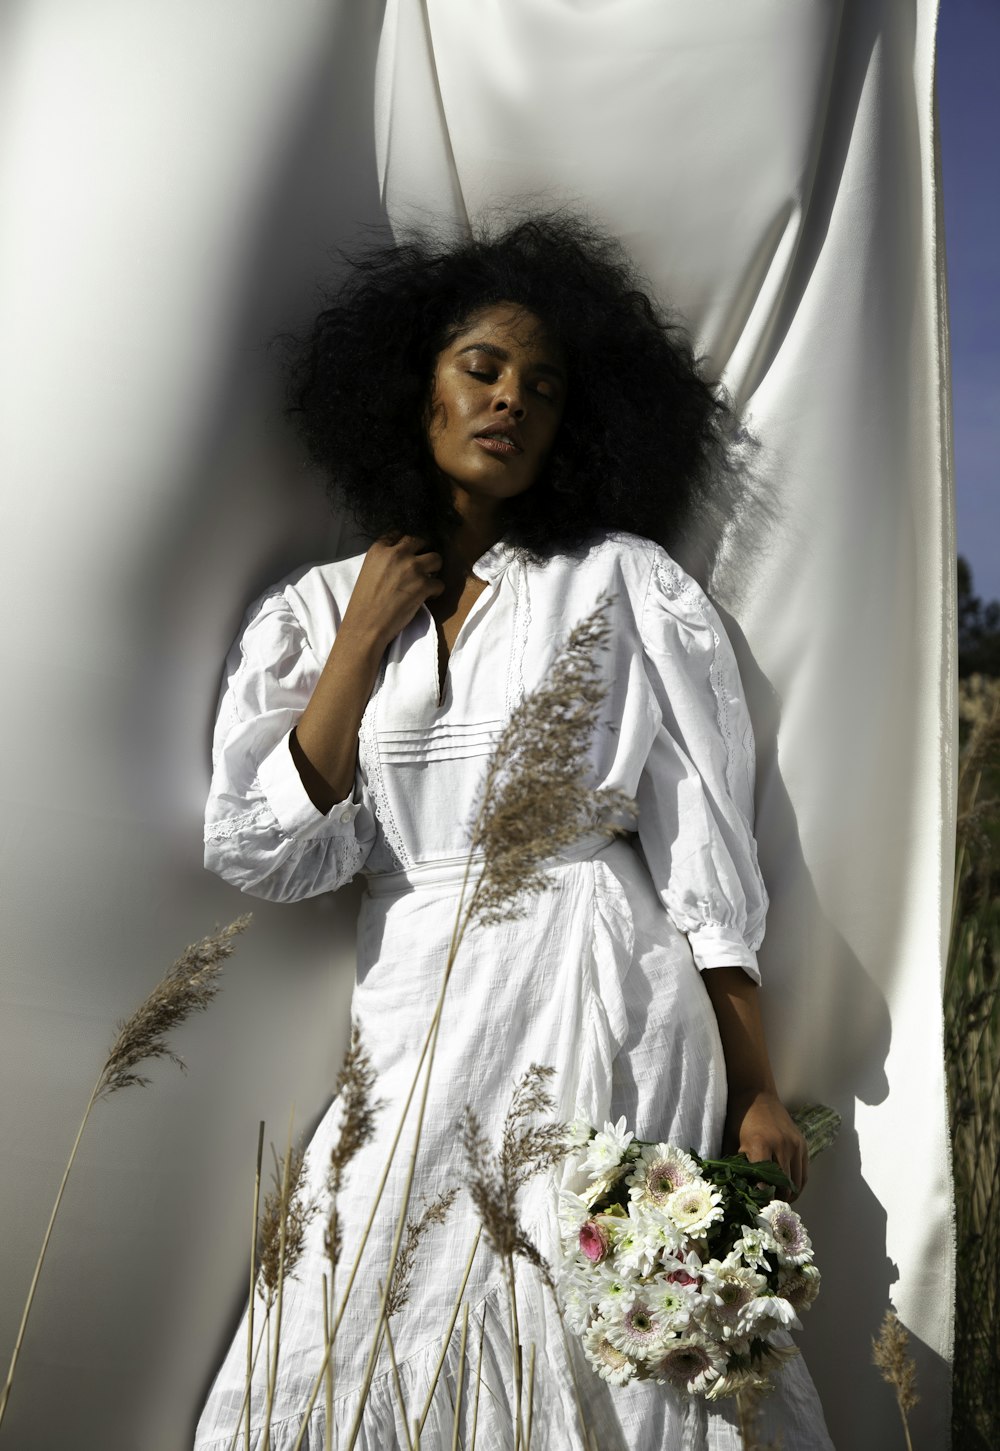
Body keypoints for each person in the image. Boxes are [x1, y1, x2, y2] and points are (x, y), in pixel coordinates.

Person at [193, 216, 833, 1449]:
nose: (509, 402)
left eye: (542, 387)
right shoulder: (320, 605)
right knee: (362, 1275)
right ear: (412, 384)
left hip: (603, 987)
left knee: (608, 1309)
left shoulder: (623, 583)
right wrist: (359, 640)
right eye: (481, 367)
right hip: (416, 993)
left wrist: (756, 1082)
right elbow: (263, 850)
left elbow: (705, 845)